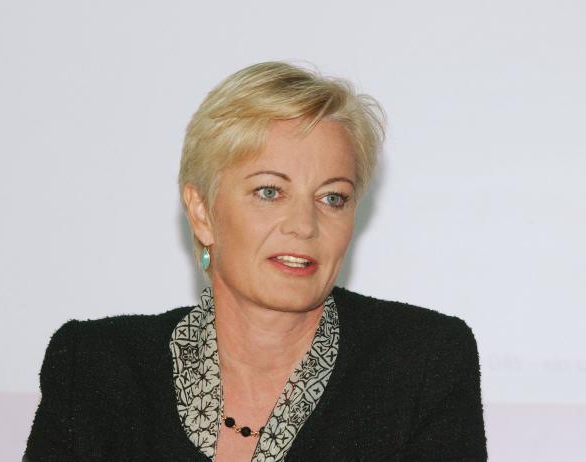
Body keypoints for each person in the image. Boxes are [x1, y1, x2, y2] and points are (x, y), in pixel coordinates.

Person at [24, 62, 487, 461]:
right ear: (202, 212)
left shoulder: (422, 364)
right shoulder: (95, 368)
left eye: (332, 198)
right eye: (270, 191)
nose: (304, 226)